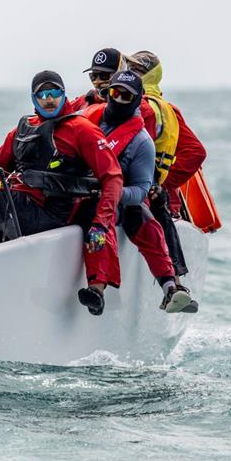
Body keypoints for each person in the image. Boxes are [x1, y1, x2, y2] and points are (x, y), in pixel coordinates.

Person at [0, 71, 124, 316]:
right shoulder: (22, 129)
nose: (49, 99)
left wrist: (101, 224)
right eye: (42, 94)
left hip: (46, 217)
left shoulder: (81, 129)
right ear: (33, 98)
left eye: (55, 93)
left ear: (64, 96)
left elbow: (113, 177)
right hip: (19, 211)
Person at [83, 71, 196, 312]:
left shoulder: (142, 141)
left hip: (118, 202)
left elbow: (141, 189)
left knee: (144, 222)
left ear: (137, 99)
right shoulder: (88, 118)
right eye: (115, 93)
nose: (119, 99)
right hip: (78, 194)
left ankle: (169, 286)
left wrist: (115, 194)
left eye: (127, 96)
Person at [129, 51, 207, 216]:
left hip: (157, 203)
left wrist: (161, 185)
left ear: (150, 76)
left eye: (136, 70)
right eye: (128, 68)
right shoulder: (122, 102)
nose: (129, 73)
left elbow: (195, 152)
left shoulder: (161, 109)